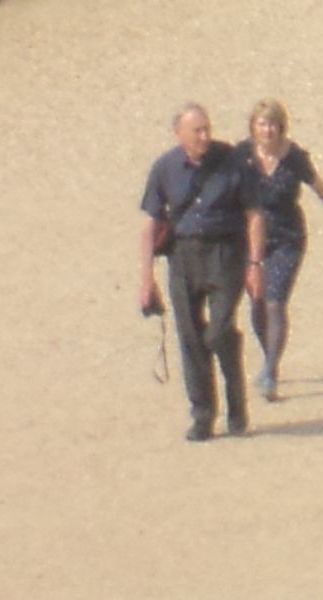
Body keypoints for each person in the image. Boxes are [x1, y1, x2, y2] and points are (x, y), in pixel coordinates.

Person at [137, 102, 266, 440]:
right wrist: (145, 277)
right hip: (183, 256)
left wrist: (254, 264)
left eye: (207, 129)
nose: (205, 136)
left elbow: (254, 214)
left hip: (226, 253)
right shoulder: (164, 168)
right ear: (179, 133)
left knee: (220, 331)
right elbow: (151, 222)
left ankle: (237, 408)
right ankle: (203, 415)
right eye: (197, 131)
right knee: (191, 337)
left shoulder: (233, 161)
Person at [240, 99, 323, 403]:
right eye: (262, 124)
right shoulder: (242, 155)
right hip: (249, 239)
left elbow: (320, 187)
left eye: (273, 124)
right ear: (253, 126)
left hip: (287, 236)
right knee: (258, 302)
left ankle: (271, 371)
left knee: (275, 302)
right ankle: (269, 355)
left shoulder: (294, 157)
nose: (268, 130)